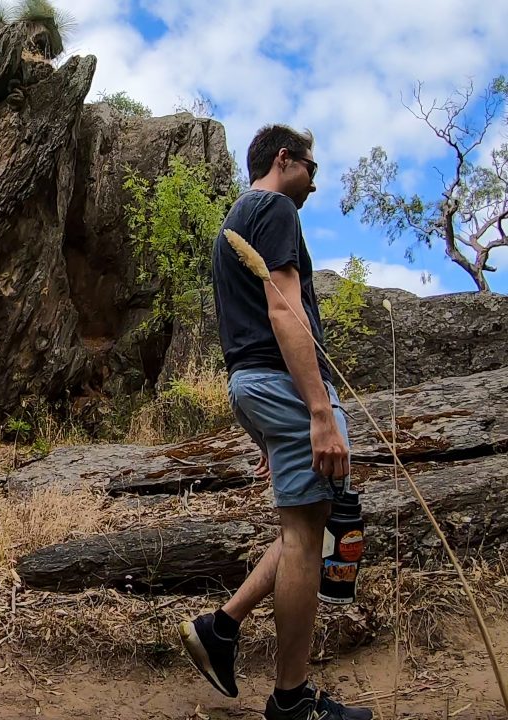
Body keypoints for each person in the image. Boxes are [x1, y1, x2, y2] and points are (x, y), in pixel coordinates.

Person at [178, 125, 372, 720]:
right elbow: (283, 310)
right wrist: (317, 411)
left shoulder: (236, 220)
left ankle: (221, 628)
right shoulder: (276, 208)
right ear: (284, 160)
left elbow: (247, 331)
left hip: (253, 384)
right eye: (312, 166)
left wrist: (267, 426)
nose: (316, 179)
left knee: (302, 529)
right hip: (283, 384)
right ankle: (291, 704)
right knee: (305, 537)